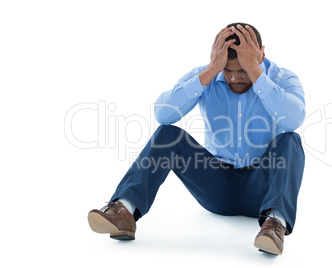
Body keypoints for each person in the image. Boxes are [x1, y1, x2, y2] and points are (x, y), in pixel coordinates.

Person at [88, 22, 306, 255]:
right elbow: (163, 114)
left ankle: (274, 225)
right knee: (168, 135)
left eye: (243, 70)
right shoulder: (207, 74)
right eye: (228, 70)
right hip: (217, 186)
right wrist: (212, 70)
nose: (234, 79)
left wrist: (256, 73)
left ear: (261, 55)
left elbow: (293, 121)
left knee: (290, 140)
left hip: (262, 189)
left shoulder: (283, 79)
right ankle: (124, 211)